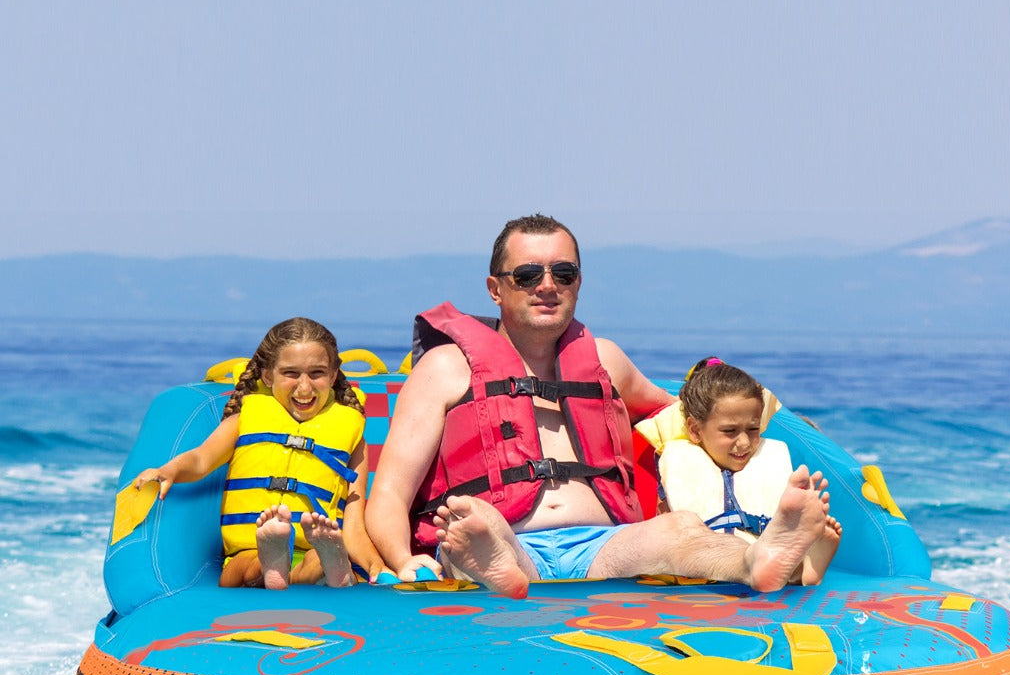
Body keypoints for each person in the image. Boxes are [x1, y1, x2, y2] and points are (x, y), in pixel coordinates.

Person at [365, 213, 831, 598]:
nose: (547, 285)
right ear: (495, 288)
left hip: (604, 546)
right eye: (528, 275)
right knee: (476, 524)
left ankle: (757, 559)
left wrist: (788, 427)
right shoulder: (446, 369)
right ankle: (500, 565)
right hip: (501, 535)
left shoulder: (605, 360)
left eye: (562, 274)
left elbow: (690, 413)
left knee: (679, 531)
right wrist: (405, 561)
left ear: (578, 283)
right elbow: (388, 493)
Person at [133, 317, 386, 589]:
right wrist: (168, 470)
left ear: (333, 375)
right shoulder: (244, 420)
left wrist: (377, 567)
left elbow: (354, 525)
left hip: (311, 547)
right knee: (243, 567)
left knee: (315, 560)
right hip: (251, 548)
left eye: (317, 373)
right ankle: (276, 564)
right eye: (291, 373)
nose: (304, 387)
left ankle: (326, 565)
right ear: (268, 375)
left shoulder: (351, 436)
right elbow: (201, 459)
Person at [655, 357, 841, 585]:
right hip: (702, 557)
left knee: (775, 549)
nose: (743, 442)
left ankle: (805, 567)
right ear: (695, 430)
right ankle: (793, 567)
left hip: (764, 549)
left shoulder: (768, 458)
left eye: (753, 429)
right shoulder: (679, 458)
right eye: (729, 431)